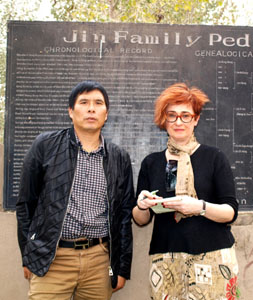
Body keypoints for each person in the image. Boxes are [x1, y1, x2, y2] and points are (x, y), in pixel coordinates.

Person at [16, 80, 135, 300]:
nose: (91, 108)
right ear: (71, 111)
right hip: (52, 259)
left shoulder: (119, 157)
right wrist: (28, 256)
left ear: (106, 114)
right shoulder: (45, 145)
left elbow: (124, 216)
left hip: (99, 261)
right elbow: (25, 204)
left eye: (98, 103)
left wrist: (121, 268)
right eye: (84, 102)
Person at [132, 83, 239, 300]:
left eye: (185, 115)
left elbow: (230, 212)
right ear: (164, 119)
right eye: (171, 115)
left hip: (212, 257)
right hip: (166, 260)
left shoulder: (214, 157)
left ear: (196, 119)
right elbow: (141, 220)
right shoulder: (152, 163)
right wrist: (141, 205)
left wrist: (199, 207)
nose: (178, 121)